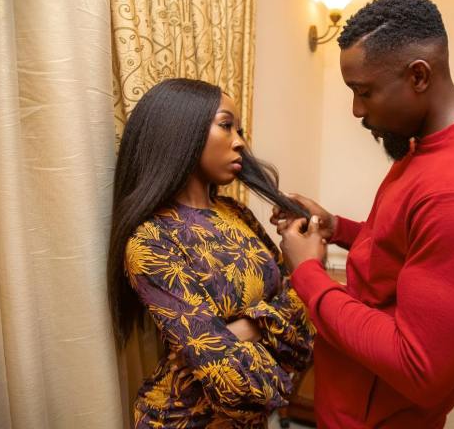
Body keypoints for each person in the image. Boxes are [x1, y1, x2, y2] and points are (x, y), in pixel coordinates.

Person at [273, 0, 454, 428]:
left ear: (418, 76)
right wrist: (336, 227)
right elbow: (400, 247)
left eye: (364, 92)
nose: (357, 110)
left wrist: (308, 273)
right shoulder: (422, 150)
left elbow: (418, 367)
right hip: (348, 401)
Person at [106, 78, 315, 428]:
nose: (240, 142)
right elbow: (239, 388)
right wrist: (269, 318)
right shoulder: (151, 240)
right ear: (181, 131)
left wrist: (239, 331)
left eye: (239, 130)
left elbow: (304, 338)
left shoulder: (237, 213)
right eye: (226, 125)